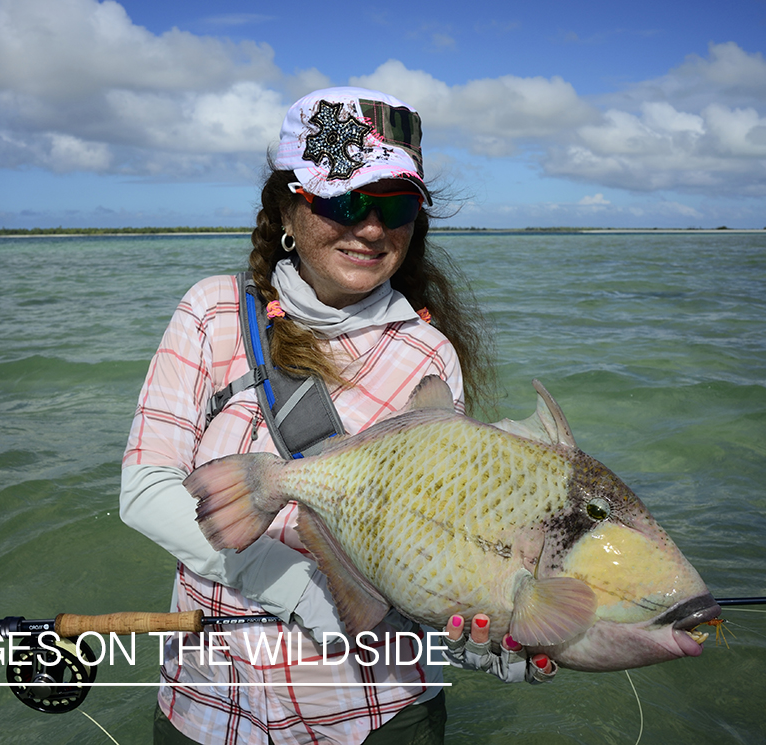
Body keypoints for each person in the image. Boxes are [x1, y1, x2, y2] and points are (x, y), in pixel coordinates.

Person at [120, 87, 554, 745]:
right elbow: (145, 491)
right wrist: (303, 592)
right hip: (212, 702)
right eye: (343, 201)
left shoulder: (426, 351)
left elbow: (439, 537)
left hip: (375, 706)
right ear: (287, 206)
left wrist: (490, 621)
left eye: (394, 204)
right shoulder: (213, 312)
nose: (371, 227)